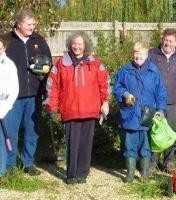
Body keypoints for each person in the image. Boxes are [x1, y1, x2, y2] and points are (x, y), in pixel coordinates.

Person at [45, 31, 110, 184]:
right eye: (74, 43)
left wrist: (105, 101)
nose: (77, 46)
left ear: (85, 45)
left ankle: (82, 174)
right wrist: (52, 106)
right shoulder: (60, 63)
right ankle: (71, 175)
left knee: (86, 144)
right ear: (70, 44)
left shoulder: (95, 63)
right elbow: (52, 86)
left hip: (90, 109)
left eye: (80, 44)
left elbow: (105, 83)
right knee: (72, 144)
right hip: (71, 110)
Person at [5, 9, 52, 175]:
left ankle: (28, 163)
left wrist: (42, 70)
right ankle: (9, 165)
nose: (32, 27)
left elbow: (49, 63)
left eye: (34, 24)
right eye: (29, 24)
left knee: (32, 131)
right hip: (11, 97)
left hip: (34, 94)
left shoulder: (38, 40)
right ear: (18, 24)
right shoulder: (6, 40)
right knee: (10, 132)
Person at [113, 42, 167, 182]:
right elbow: (116, 87)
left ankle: (144, 175)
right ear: (132, 54)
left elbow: (161, 92)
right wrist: (124, 94)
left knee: (145, 147)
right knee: (130, 146)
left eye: (141, 54)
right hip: (130, 116)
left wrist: (161, 110)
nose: (138, 56)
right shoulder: (124, 71)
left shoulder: (154, 71)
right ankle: (130, 174)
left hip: (146, 117)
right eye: (136, 53)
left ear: (147, 55)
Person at [148, 28, 176, 173]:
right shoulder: (152, 54)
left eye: (170, 41)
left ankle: (169, 161)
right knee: (155, 131)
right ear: (162, 39)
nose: (167, 43)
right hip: (155, 101)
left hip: (174, 101)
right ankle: (152, 162)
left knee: (171, 132)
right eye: (165, 40)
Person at [0, 35, 19, 184]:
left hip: (4, 109)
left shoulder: (9, 65)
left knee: (2, 141)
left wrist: (5, 107)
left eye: (0, 47)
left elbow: (14, 89)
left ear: (4, 47)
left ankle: (1, 173)